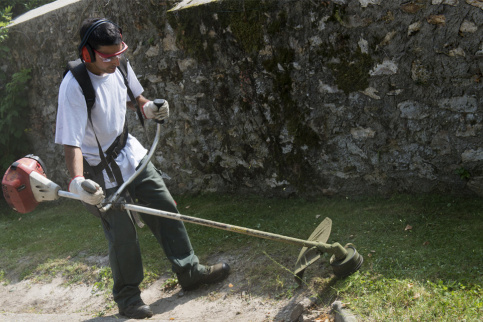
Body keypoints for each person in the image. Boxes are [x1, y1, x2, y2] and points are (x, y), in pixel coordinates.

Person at [55, 18, 230, 319]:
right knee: (122, 236)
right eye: (107, 56)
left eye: (119, 52)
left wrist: (148, 108)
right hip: (101, 173)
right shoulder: (74, 86)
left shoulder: (120, 65)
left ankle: (189, 271)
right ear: (88, 54)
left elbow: (134, 98)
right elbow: (70, 142)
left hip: (130, 154)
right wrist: (77, 181)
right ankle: (128, 298)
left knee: (164, 207)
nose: (115, 60)